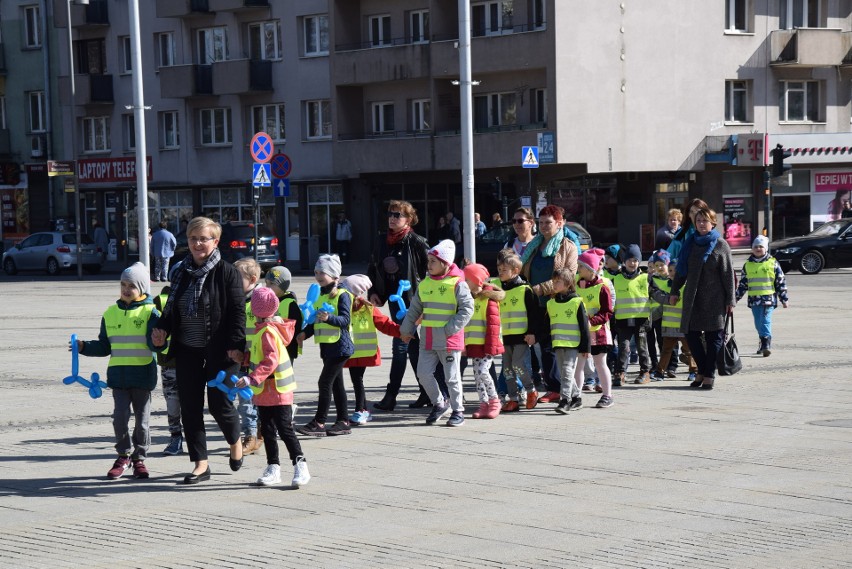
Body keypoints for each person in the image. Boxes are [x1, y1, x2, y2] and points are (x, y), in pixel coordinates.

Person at [152, 216, 246, 485]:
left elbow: (238, 313)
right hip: (187, 350)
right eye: (193, 238)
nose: (197, 243)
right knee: (190, 407)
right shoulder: (180, 272)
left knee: (219, 404)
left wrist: (237, 348)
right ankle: (201, 464)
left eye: (203, 238)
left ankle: (235, 440)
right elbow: (170, 309)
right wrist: (161, 331)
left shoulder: (227, 272)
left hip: (222, 351)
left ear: (215, 242)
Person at [75, 263, 165, 479]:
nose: (126, 289)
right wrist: (84, 347)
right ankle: (123, 455)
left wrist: (159, 342)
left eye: (132, 285)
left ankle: (139, 458)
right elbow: (104, 346)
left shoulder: (150, 312)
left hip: (142, 376)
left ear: (142, 288)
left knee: (142, 422)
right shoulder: (110, 313)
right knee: (119, 419)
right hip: (118, 377)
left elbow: (155, 344)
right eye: (123, 284)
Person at [235, 287, 309, 488]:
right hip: (266, 391)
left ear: (257, 311)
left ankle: (300, 464)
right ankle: (273, 467)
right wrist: (247, 360)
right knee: (267, 430)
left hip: (277, 388)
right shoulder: (264, 330)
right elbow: (261, 355)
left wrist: (251, 378)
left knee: (284, 429)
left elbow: (271, 359)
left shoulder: (267, 331)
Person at [400, 239, 474, 427]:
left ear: (445, 263)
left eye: (433, 261)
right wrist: (406, 329)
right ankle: (440, 403)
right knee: (423, 374)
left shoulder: (457, 283)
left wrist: (451, 328)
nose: (429, 265)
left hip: (449, 340)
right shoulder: (425, 284)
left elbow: (467, 308)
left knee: (452, 377)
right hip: (428, 339)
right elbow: (414, 310)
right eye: (428, 261)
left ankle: (458, 410)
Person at [367, 200, 432, 411]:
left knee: (401, 346)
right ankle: (427, 392)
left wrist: (423, 299)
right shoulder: (381, 240)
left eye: (398, 215)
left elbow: (432, 271)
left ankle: (392, 396)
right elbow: (373, 267)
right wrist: (374, 292)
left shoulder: (417, 242)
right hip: (395, 303)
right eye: (391, 214)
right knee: (410, 346)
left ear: (409, 219)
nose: (392, 218)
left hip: (412, 303)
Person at [670, 206, 735, 391]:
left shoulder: (720, 244)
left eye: (705, 221)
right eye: (698, 221)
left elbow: (728, 274)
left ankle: (708, 374)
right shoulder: (689, 243)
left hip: (715, 299)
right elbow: (681, 271)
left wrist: (731, 300)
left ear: (713, 223)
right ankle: (702, 370)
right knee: (691, 335)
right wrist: (674, 291)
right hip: (693, 298)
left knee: (714, 337)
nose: (701, 224)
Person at [520, 205, 579, 404]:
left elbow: (568, 276)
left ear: (560, 223)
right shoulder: (534, 246)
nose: (544, 226)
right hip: (535, 304)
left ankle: (558, 388)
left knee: (551, 349)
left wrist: (538, 289)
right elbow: (523, 271)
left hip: (557, 304)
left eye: (549, 222)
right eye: (541, 222)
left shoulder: (568, 246)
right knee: (541, 347)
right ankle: (554, 387)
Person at [296, 254, 354, 437]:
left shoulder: (343, 295)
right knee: (337, 385)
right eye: (316, 271)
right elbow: (315, 322)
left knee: (324, 382)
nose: (318, 275)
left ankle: (319, 422)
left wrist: (329, 318)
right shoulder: (320, 295)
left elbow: (345, 320)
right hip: (327, 347)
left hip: (340, 346)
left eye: (323, 272)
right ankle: (343, 422)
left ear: (335, 275)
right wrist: (305, 333)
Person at [340, 274, 400, 426]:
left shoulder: (367, 308)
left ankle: (361, 411)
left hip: (363, 353)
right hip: (353, 352)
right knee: (356, 380)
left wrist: (402, 332)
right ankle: (363, 409)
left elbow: (385, 324)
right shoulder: (343, 306)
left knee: (357, 380)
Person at [495, 249, 540, 412]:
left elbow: (534, 313)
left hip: (522, 336)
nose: (500, 273)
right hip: (504, 337)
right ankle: (513, 399)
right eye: (499, 269)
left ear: (515, 271)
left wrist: (532, 332)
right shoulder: (499, 290)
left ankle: (531, 390)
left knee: (518, 365)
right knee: (507, 368)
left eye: (504, 270)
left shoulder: (525, 290)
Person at [544, 269, 590, 414]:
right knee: (565, 371)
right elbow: (547, 325)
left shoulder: (576, 302)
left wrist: (586, 348)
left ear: (568, 283)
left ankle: (565, 400)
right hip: (558, 343)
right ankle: (577, 397)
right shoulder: (551, 303)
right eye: (553, 281)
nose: (554, 284)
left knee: (567, 371)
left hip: (573, 344)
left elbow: (584, 327)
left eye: (558, 281)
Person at [573, 248, 615, 408]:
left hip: (599, 333)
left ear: (591, 268)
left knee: (600, 363)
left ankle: (607, 395)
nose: (578, 269)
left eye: (581, 266)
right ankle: (576, 396)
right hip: (581, 333)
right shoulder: (576, 285)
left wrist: (592, 321)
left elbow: (607, 311)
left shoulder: (602, 287)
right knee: (579, 364)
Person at [735, 235, 789, 357]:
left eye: (761, 246)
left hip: (768, 299)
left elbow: (780, 282)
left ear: (765, 249)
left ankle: (766, 344)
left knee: (765, 321)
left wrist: (784, 298)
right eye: (756, 247)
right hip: (754, 300)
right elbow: (743, 284)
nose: (758, 249)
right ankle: (762, 340)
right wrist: (735, 298)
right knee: (758, 323)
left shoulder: (773, 263)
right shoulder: (748, 265)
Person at [462, 263, 504, 420]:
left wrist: (491, 347)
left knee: (483, 372)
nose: (463, 282)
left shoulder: (489, 300)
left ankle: (494, 401)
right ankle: (483, 404)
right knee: (477, 376)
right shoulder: (470, 299)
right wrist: (465, 344)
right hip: (474, 344)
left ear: (476, 281)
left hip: (487, 346)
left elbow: (493, 326)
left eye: (466, 279)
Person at [649, 258, 698, 382]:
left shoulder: (687, 287)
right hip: (669, 325)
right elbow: (662, 306)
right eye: (670, 270)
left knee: (688, 350)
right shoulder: (665, 286)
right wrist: (651, 318)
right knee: (666, 350)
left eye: (676, 270)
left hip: (684, 326)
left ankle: (694, 371)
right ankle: (660, 372)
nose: (672, 273)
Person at [232, 258, 263, 456]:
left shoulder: (261, 300)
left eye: (237, 279)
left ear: (252, 279)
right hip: (241, 359)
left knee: (258, 399)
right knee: (246, 399)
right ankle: (250, 435)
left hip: (259, 359)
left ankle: (258, 433)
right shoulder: (236, 300)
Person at [611, 244, 652, 385]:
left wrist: (668, 298)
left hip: (641, 320)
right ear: (624, 261)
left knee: (642, 348)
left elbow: (656, 294)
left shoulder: (646, 278)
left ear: (639, 262)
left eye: (635, 260)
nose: (632, 263)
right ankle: (620, 373)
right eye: (629, 260)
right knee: (624, 347)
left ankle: (645, 372)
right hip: (623, 320)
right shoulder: (616, 279)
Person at [153, 283, 183, 456]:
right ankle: (175, 437)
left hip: (192, 363)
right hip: (169, 363)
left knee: (190, 405)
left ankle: (194, 440)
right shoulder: (161, 300)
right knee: (172, 403)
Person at [265, 266, 302, 363]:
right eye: (266, 283)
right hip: (271, 348)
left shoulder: (290, 304)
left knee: (284, 376)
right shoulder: (268, 301)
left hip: (287, 349)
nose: (267, 286)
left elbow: (297, 327)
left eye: (272, 283)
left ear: (282, 286)